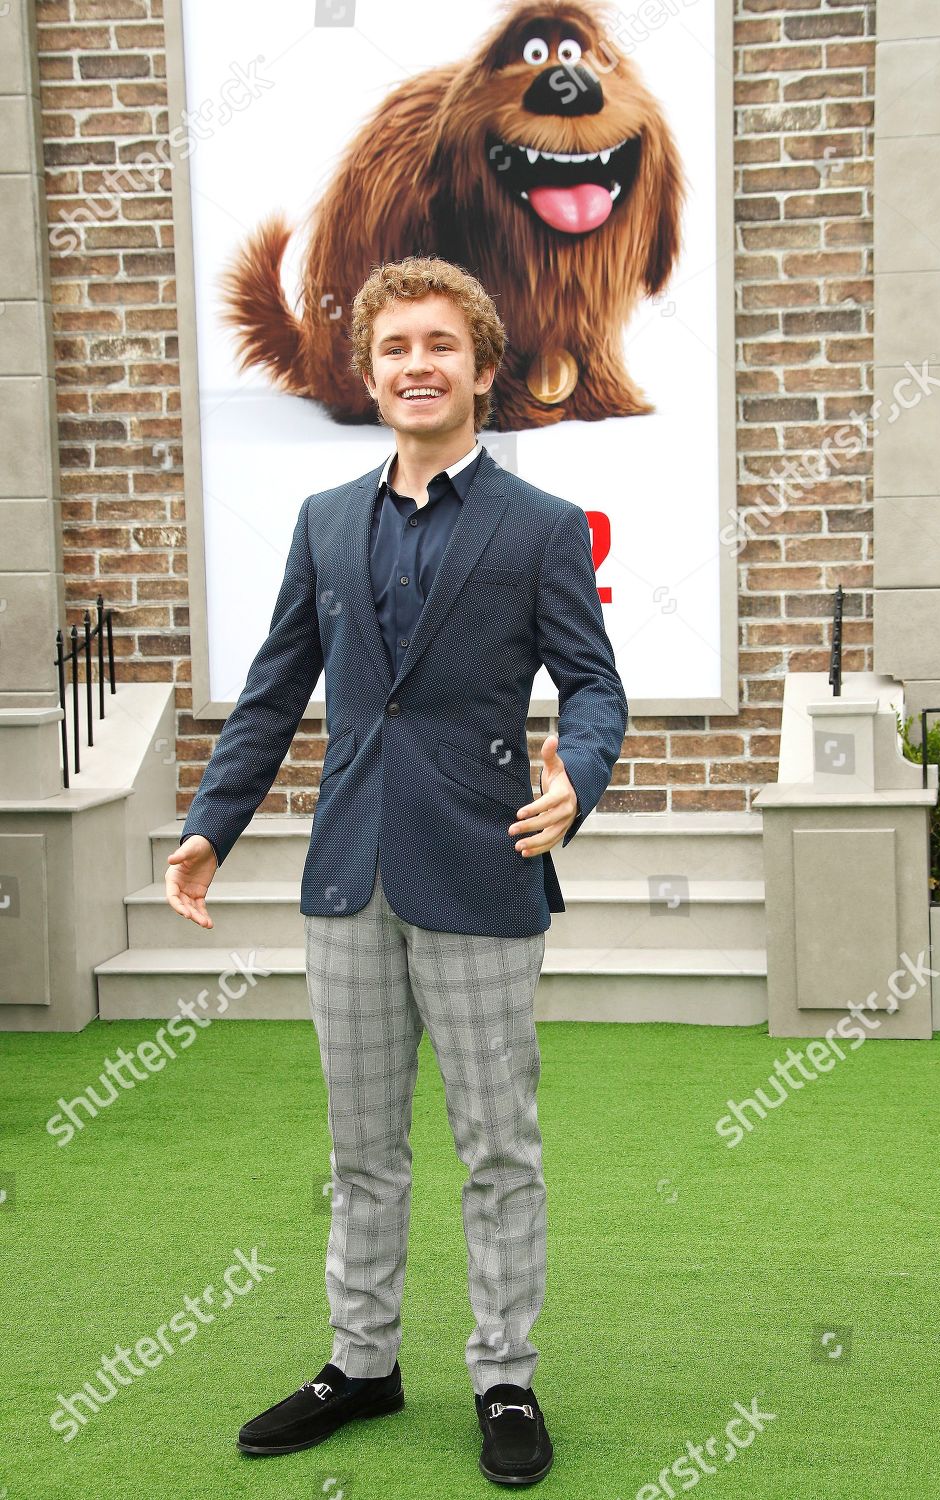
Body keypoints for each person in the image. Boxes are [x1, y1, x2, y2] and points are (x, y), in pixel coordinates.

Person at [165, 255, 628, 1486]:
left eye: (438, 345)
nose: (415, 365)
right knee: (361, 1148)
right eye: (392, 348)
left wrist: (577, 777)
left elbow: (592, 684)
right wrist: (214, 822)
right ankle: (362, 1362)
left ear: (483, 370)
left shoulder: (535, 531)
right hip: (347, 878)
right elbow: (274, 688)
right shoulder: (323, 522)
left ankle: (505, 1379)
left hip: (482, 870)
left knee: (497, 1148)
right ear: (367, 375)